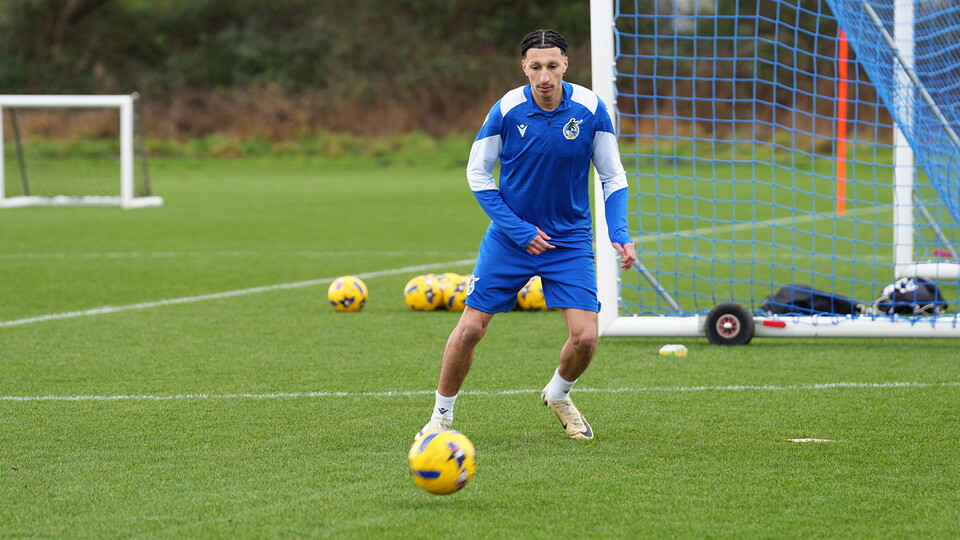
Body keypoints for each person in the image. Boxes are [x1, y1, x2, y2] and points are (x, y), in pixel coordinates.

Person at [416, 29, 636, 441]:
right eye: (536, 67)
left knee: (585, 337)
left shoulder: (591, 109)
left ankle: (558, 394)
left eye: (552, 66)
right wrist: (518, 229)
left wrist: (619, 231)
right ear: (524, 67)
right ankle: (440, 418)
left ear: (565, 64)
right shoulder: (507, 109)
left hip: (568, 241)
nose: (544, 76)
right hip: (509, 239)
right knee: (470, 329)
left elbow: (613, 176)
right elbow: (477, 174)